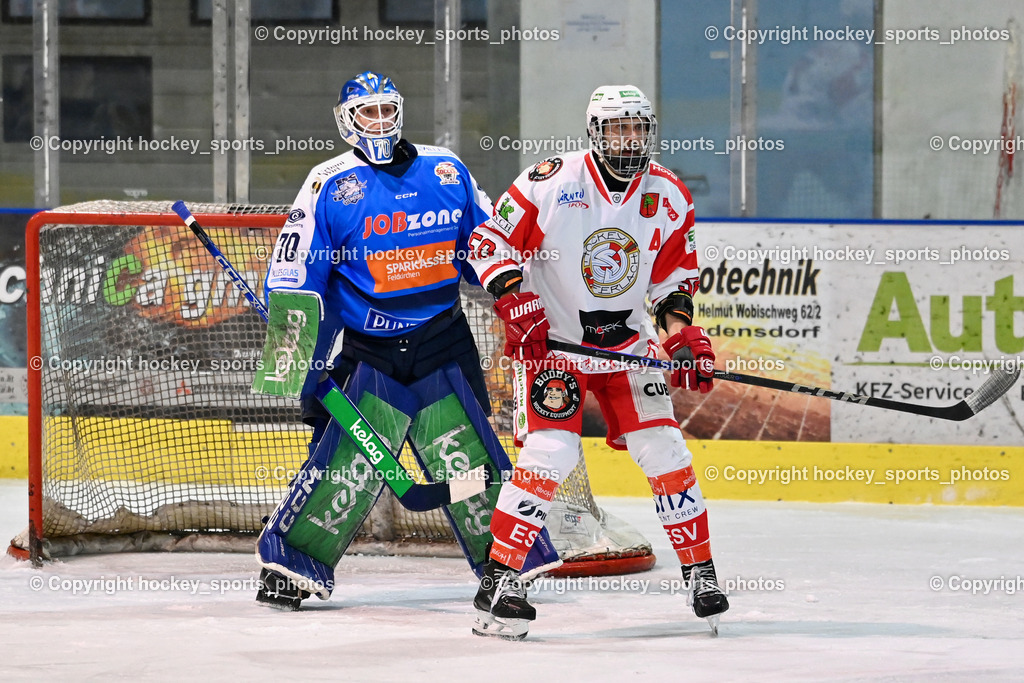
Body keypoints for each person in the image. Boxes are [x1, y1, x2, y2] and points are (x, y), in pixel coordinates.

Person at [468, 85, 729, 640]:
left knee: (665, 449)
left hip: (627, 350)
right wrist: (516, 300)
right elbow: (488, 242)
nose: (629, 139)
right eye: (617, 128)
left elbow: (672, 283)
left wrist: (682, 340)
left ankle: (700, 574)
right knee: (551, 453)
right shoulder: (550, 181)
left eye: (638, 128)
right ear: (595, 131)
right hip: (555, 349)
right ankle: (500, 580)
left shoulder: (669, 194)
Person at [255, 71, 494, 609]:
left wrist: (513, 288)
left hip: (443, 340)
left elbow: (486, 245)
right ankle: (294, 567)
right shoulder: (328, 182)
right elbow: (296, 270)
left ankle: (503, 561)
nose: (380, 121)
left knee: (470, 458)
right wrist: (295, 342)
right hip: (370, 349)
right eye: (368, 112)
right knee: (343, 462)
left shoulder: (446, 169)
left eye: (387, 109)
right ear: (347, 120)